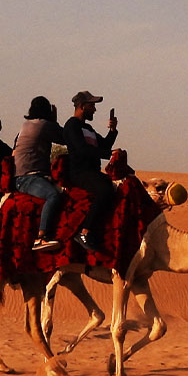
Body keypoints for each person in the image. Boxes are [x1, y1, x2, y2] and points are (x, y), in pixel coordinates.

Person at [62, 90, 119, 255]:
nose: (94, 109)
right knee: (105, 190)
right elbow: (82, 150)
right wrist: (109, 154)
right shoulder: (71, 125)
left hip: (92, 173)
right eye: (91, 105)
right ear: (81, 106)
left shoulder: (88, 128)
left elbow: (104, 146)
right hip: (80, 173)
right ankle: (85, 231)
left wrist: (113, 131)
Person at [12, 96, 66, 252]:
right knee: (53, 195)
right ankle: (41, 237)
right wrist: (54, 120)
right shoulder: (44, 125)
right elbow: (66, 138)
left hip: (26, 176)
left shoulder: (25, 125)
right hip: (28, 178)